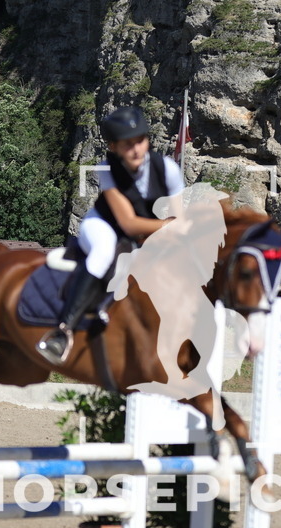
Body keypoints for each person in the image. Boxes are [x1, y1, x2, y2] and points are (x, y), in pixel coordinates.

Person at [37, 106, 184, 364]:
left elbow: (178, 217)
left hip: (148, 230)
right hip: (104, 225)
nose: (136, 149)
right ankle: (63, 331)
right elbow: (129, 224)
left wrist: (174, 233)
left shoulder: (168, 168)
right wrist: (169, 227)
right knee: (104, 253)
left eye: (140, 140)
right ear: (113, 147)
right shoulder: (106, 169)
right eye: (127, 144)